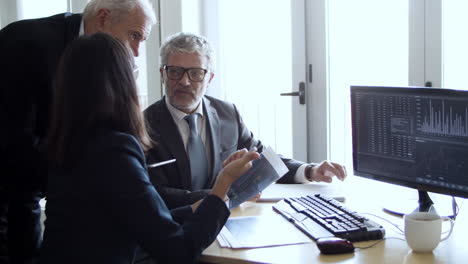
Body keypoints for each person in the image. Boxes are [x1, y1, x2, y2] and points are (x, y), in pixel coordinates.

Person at [40, 32, 259, 264]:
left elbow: (129, 219)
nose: (185, 81)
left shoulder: (67, 141)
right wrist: (222, 185)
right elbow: (177, 252)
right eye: (133, 72)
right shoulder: (116, 150)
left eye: (195, 73)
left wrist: (192, 210)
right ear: (120, 83)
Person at [0, 0, 156, 262]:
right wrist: (81, 178)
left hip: (40, 195)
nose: (138, 52)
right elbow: (12, 138)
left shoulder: (104, 64)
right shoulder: (27, 42)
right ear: (103, 18)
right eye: (135, 35)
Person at [144, 32, 348, 209]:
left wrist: (310, 171)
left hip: (230, 221)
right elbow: (152, 193)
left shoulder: (227, 113)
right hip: (176, 229)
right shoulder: (143, 125)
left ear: (210, 78)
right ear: (163, 73)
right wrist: (220, 195)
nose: (185, 81)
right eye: (175, 72)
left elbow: (261, 159)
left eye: (196, 73)